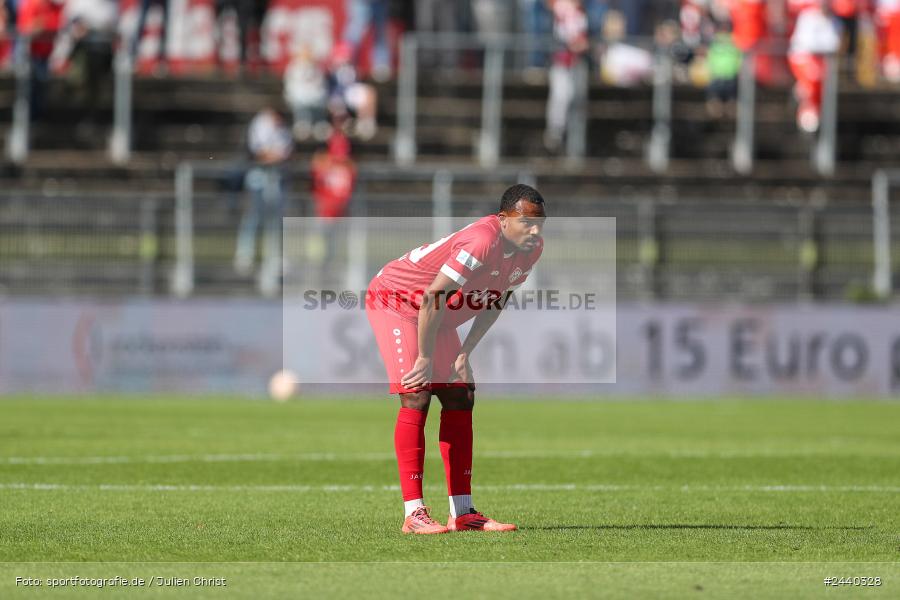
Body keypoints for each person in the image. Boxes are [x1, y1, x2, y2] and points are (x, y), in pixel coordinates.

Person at [365, 184, 546, 534]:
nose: (534, 230)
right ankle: (414, 514)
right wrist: (425, 358)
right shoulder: (481, 242)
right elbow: (433, 295)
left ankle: (462, 513)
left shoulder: (531, 249)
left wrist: (466, 352)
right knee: (417, 394)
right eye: (526, 222)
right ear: (502, 219)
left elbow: (497, 299)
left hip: (437, 313)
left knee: (460, 395)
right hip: (398, 300)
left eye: (540, 223)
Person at [234, 107, 293, 275]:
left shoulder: (283, 131)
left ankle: (275, 255)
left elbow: (283, 154)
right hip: (258, 175)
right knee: (253, 215)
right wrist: (272, 156)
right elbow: (259, 153)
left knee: (276, 218)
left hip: (276, 177)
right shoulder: (259, 125)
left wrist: (272, 156)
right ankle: (245, 254)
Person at [789, 0, 841, 132]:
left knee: (817, 78)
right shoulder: (807, 17)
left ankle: (806, 100)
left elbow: (834, 45)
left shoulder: (835, 21)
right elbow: (807, 44)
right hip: (803, 60)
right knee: (813, 76)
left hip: (820, 64)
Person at [544, 0, 589, 152]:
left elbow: (583, 38)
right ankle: (555, 134)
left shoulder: (581, 12)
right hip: (561, 63)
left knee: (576, 98)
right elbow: (562, 34)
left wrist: (581, 43)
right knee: (561, 96)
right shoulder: (560, 8)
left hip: (578, 63)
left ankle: (574, 139)